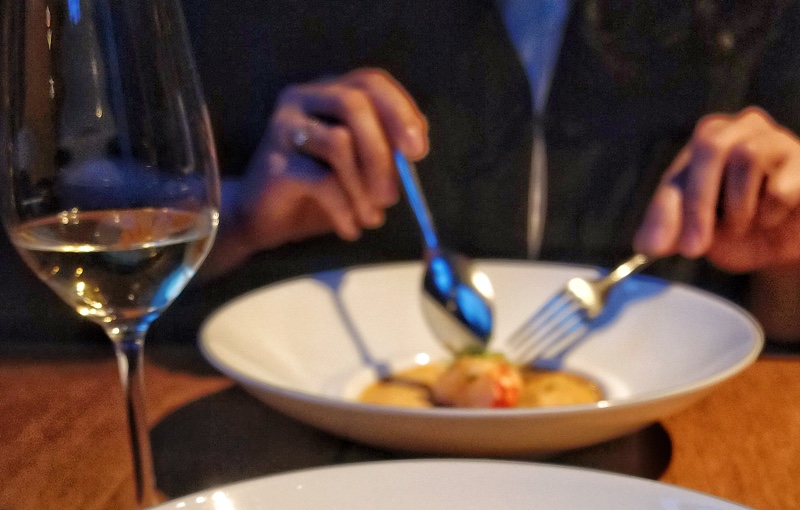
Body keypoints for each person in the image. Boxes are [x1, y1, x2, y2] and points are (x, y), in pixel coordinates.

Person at [2, 0, 799, 343]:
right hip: (279, 442)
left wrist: (784, 247)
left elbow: (784, 322)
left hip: (680, 439)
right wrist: (234, 214)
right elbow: (65, 190)